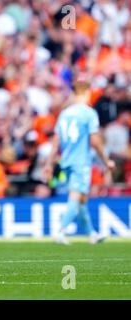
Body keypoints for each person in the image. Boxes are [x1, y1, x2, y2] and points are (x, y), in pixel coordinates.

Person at [43, 73, 115, 245]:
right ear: (86, 92)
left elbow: (56, 141)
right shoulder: (89, 113)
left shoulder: (65, 114)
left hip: (66, 161)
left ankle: (91, 234)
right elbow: (95, 141)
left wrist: (48, 163)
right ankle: (60, 231)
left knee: (81, 199)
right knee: (76, 197)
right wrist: (106, 161)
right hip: (80, 162)